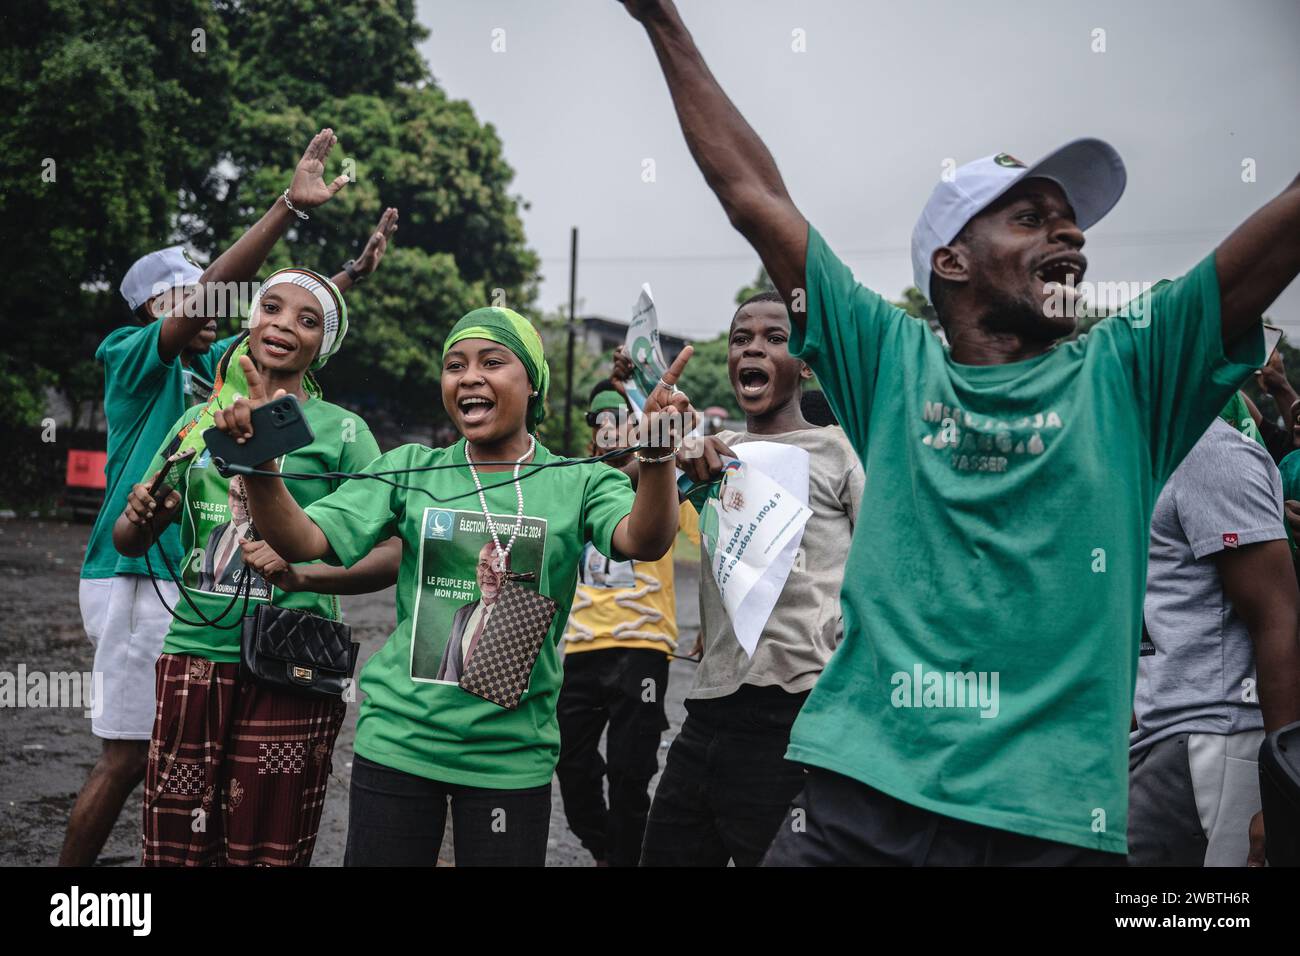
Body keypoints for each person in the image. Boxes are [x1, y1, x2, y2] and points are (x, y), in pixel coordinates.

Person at [619, 0, 1300, 864]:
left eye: (1070, 221)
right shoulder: (891, 363)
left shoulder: (1132, 373)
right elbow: (753, 196)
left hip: (1050, 826)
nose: (1070, 233)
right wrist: (664, 22)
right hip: (859, 800)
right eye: (1030, 217)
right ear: (951, 261)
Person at [213, 306, 694, 867]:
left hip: (511, 758)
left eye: (492, 362)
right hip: (399, 744)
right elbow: (301, 538)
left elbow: (645, 538)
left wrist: (657, 458)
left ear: (532, 381)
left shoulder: (578, 481)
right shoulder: (411, 468)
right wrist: (264, 466)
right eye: (454, 365)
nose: (469, 376)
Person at [61, 128, 397, 867]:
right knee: (130, 760)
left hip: (258, 625)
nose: (215, 303)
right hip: (139, 585)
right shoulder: (137, 358)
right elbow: (247, 300)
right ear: (153, 308)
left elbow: (292, 326)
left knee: (242, 809)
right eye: (187, 293)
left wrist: (341, 281)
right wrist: (288, 207)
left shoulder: (236, 377)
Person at [113, 267, 400, 866]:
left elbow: (392, 552)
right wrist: (144, 517)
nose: (284, 325)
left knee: (264, 845)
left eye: (308, 319)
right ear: (251, 317)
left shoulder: (344, 432)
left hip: (291, 661)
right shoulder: (195, 423)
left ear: (325, 344)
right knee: (177, 846)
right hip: (194, 652)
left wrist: (306, 572)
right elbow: (128, 540)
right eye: (272, 307)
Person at [638, 291, 862, 867]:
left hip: (796, 717)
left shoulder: (841, 455)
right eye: (741, 339)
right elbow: (625, 478)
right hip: (708, 707)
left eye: (774, 338)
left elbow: (886, 576)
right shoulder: (712, 453)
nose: (753, 349)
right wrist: (661, 439)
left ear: (805, 363)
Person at [1129, 416, 1300, 866]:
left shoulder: (1211, 453)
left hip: (1214, 736)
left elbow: (1277, 616)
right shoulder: (1142, 449)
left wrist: (1283, 788)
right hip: (1162, 734)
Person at [556, 379, 700, 867]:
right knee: (572, 766)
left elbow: (718, 541)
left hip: (643, 646)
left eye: (623, 421)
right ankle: (612, 853)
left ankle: (621, 857)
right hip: (580, 648)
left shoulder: (663, 480)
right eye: (602, 422)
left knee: (630, 770)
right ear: (591, 432)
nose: (611, 430)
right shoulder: (575, 483)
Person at [436, 541, 511, 682]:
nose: (489, 573)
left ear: (509, 574)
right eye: (483, 565)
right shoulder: (461, 614)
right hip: (449, 699)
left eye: (498, 566)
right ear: (477, 569)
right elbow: (445, 666)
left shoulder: (516, 620)